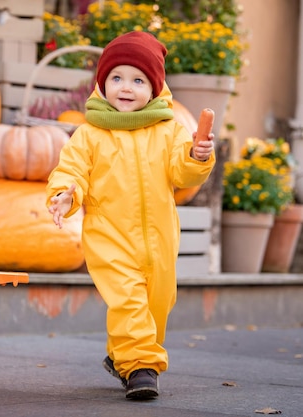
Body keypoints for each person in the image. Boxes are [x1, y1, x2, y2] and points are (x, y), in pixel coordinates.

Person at [46, 31, 215, 400]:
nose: (126, 87)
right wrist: (64, 195)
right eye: (117, 78)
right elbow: (70, 171)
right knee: (127, 299)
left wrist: (196, 157)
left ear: (154, 89)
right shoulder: (89, 134)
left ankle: (121, 354)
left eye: (138, 80)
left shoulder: (169, 130)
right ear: (102, 83)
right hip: (110, 237)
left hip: (160, 238)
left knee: (157, 304)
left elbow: (181, 174)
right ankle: (141, 366)